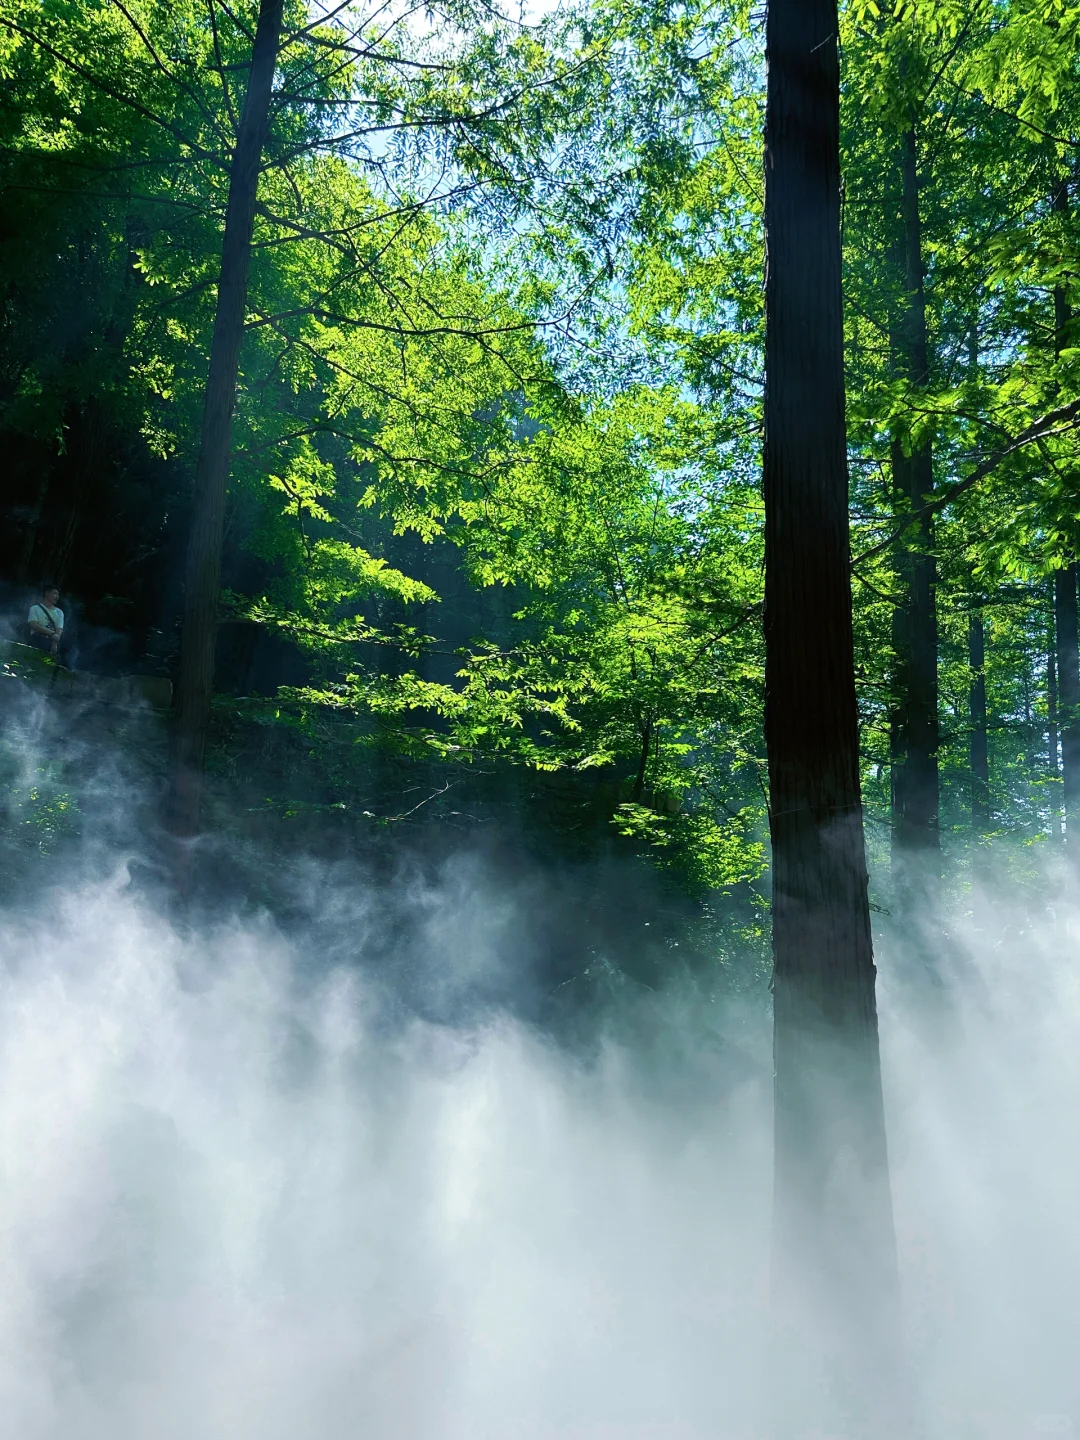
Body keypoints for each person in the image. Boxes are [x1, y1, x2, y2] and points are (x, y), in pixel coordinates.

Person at [27, 584, 65, 657]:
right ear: (46, 593)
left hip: (51, 643)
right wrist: (52, 633)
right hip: (36, 641)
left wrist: (54, 644)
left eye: (58, 595)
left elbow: (59, 630)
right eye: (55, 593)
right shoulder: (35, 608)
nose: (57, 597)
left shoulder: (59, 612)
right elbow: (33, 625)